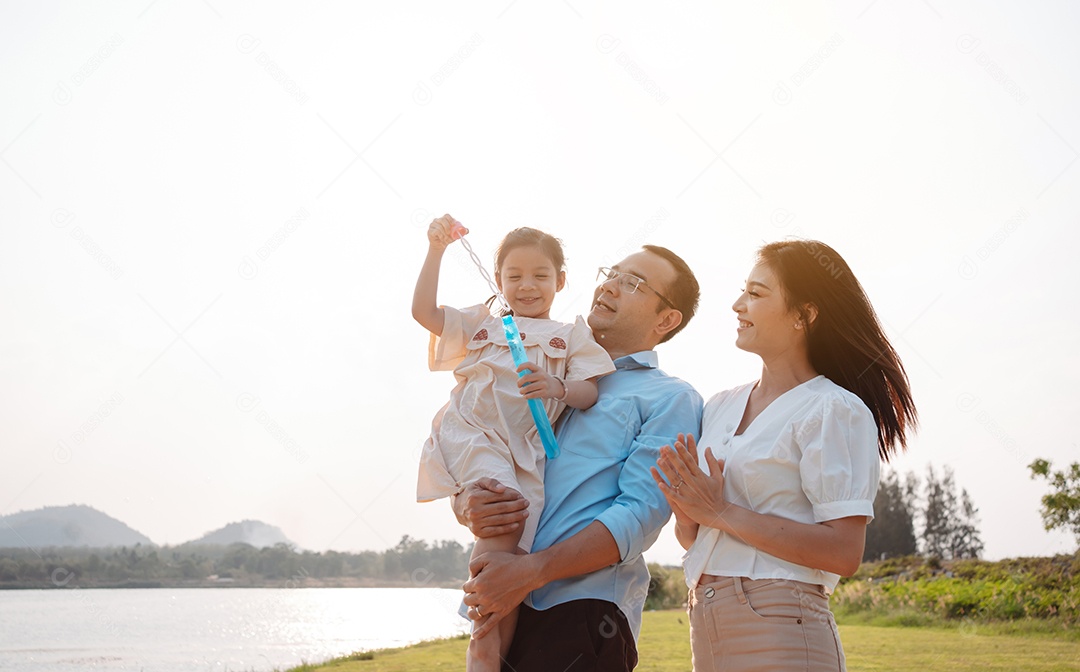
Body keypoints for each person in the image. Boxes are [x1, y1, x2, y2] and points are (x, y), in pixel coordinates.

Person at [652, 239, 918, 671]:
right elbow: (696, 540)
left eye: (756, 294)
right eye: (744, 290)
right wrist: (689, 512)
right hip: (706, 618)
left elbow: (843, 552)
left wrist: (719, 511)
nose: (738, 304)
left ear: (804, 315)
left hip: (781, 621)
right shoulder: (719, 406)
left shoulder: (834, 409)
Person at [456, 244, 703, 671]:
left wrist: (531, 572)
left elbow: (638, 516)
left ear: (666, 320)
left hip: (583, 614)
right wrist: (466, 503)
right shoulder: (548, 373)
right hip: (502, 607)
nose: (608, 285)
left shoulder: (670, 398)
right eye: (611, 273)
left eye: (632, 283)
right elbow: (494, 450)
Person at [412, 214, 615, 671]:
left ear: (561, 280)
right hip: (473, 431)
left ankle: (495, 650)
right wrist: (436, 249)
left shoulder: (570, 336)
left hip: (525, 449)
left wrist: (555, 387)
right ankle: (481, 638)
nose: (528, 285)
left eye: (541, 275)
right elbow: (424, 312)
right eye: (514, 275)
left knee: (516, 543)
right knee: (499, 520)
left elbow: (589, 392)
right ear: (499, 279)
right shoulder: (484, 323)